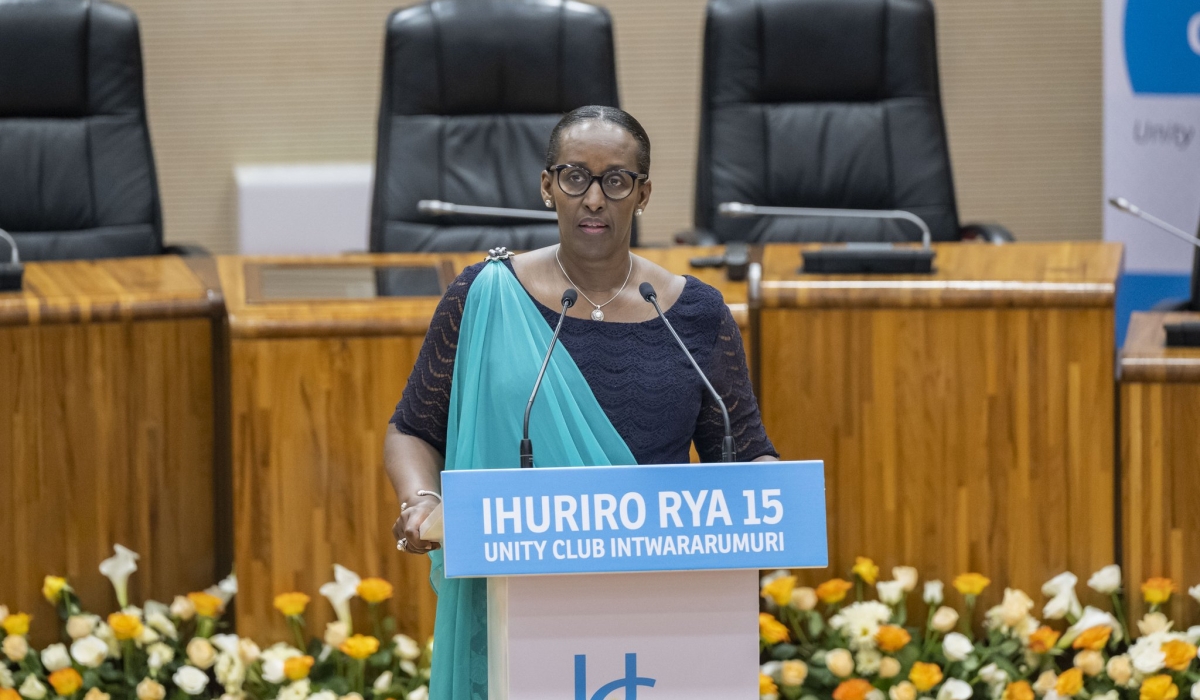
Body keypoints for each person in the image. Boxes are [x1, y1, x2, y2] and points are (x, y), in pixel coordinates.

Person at [382, 105, 777, 699]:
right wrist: (423, 502)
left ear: (642, 194)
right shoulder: (485, 296)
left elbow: (749, 455)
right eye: (575, 177)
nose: (595, 198)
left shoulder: (696, 314)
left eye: (616, 180)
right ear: (548, 187)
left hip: (662, 614)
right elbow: (412, 428)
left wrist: (778, 505)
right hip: (521, 609)